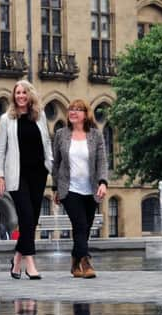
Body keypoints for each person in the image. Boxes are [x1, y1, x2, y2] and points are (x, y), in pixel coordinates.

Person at [0, 80, 53, 280]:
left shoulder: (40, 116)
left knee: (32, 219)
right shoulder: (6, 119)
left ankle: (17, 258)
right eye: (17, 93)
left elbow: (46, 143)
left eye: (23, 92)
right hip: (17, 174)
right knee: (26, 216)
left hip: (38, 173)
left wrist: (51, 166)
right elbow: (0, 149)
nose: (20, 96)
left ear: (30, 95)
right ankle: (30, 263)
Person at [52, 99, 108, 279]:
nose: (73, 112)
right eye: (71, 110)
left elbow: (102, 161)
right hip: (69, 189)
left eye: (78, 110)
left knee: (85, 227)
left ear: (85, 114)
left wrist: (103, 182)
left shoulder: (95, 135)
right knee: (80, 224)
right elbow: (56, 163)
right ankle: (86, 261)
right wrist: (55, 188)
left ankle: (75, 261)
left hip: (90, 189)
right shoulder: (61, 134)